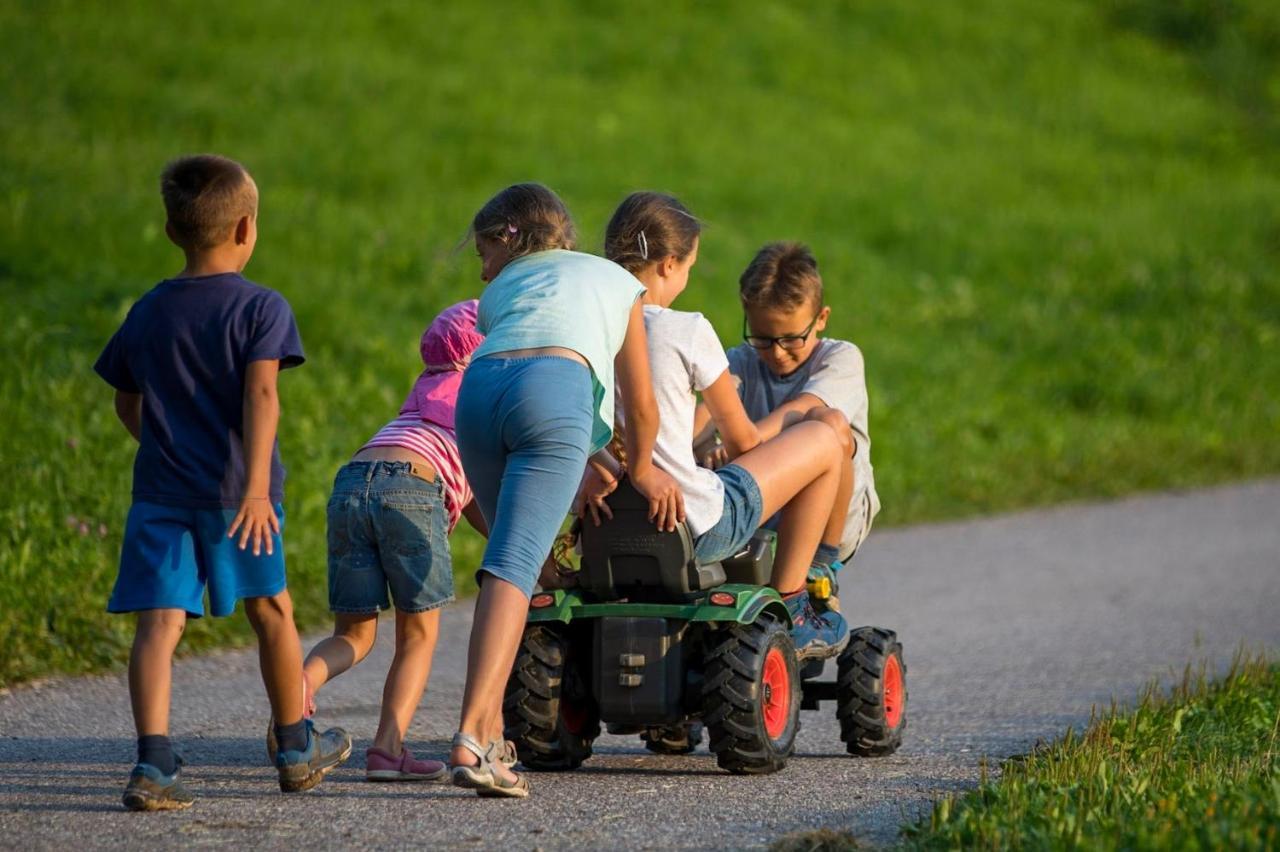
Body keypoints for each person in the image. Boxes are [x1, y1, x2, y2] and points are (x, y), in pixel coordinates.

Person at [94, 154, 350, 811]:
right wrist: (257, 486)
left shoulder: (149, 310)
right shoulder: (260, 307)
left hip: (162, 493)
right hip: (242, 499)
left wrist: (161, 448)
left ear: (172, 230)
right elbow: (262, 395)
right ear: (244, 230)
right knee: (272, 613)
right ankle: (295, 746)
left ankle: (153, 764)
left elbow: (127, 403)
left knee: (159, 624)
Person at [448, 183, 683, 798]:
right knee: (514, 569)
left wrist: (593, 452)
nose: (482, 268)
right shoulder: (616, 280)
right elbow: (638, 399)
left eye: (483, 253)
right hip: (552, 392)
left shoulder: (500, 289)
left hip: (476, 397)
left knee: (511, 567)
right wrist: (642, 470)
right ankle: (474, 735)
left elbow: (520, 358)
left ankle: (494, 735)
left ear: (509, 238)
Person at [584, 191, 852, 659]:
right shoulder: (686, 329)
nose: (687, 278)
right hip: (694, 524)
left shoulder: (584, 328)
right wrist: (787, 427)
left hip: (606, 525)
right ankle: (795, 602)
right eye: (689, 267)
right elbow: (745, 441)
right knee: (827, 436)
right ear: (668, 264)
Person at [276, 300, 486, 782]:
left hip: (352, 480)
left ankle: (299, 692)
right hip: (413, 484)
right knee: (417, 635)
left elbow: (462, 489)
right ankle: (387, 751)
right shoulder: (479, 401)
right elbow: (473, 494)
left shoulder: (421, 397)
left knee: (353, 633)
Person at [702, 242, 880, 608]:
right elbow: (704, 414)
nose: (777, 353)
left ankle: (820, 564)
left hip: (833, 520)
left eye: (791, 339)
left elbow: (802, 409)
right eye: (763, 339)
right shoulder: (740, 362)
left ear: (822, 318)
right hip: (766, 515)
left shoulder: (840, 358)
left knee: (828, 425)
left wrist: (747, 439)